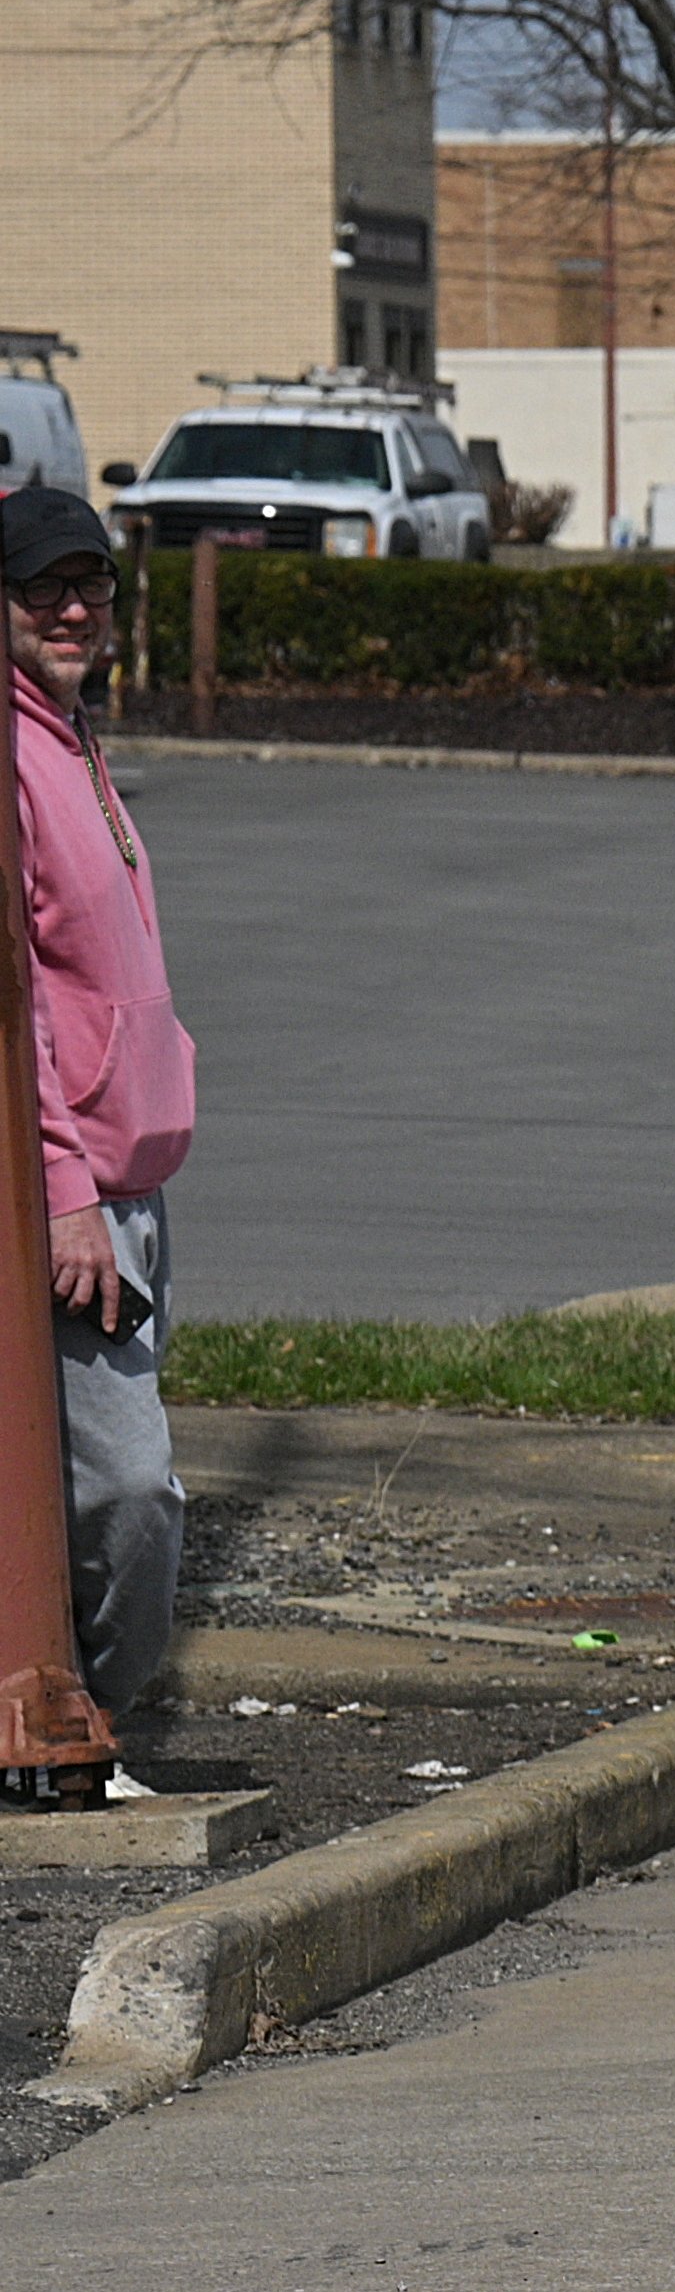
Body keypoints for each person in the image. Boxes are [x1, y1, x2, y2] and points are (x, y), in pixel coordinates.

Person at [7, 484, 186, 1746]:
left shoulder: (70, 731)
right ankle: (86, 1720)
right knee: (130, 1494)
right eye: (40, 590)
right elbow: (13, 1000)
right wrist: (64, 1189)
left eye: (91, 584)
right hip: (75, 1205)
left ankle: (72, 1714)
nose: (73, 609)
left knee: (101, 1489)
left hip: (135, 1187)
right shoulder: (13, 752)